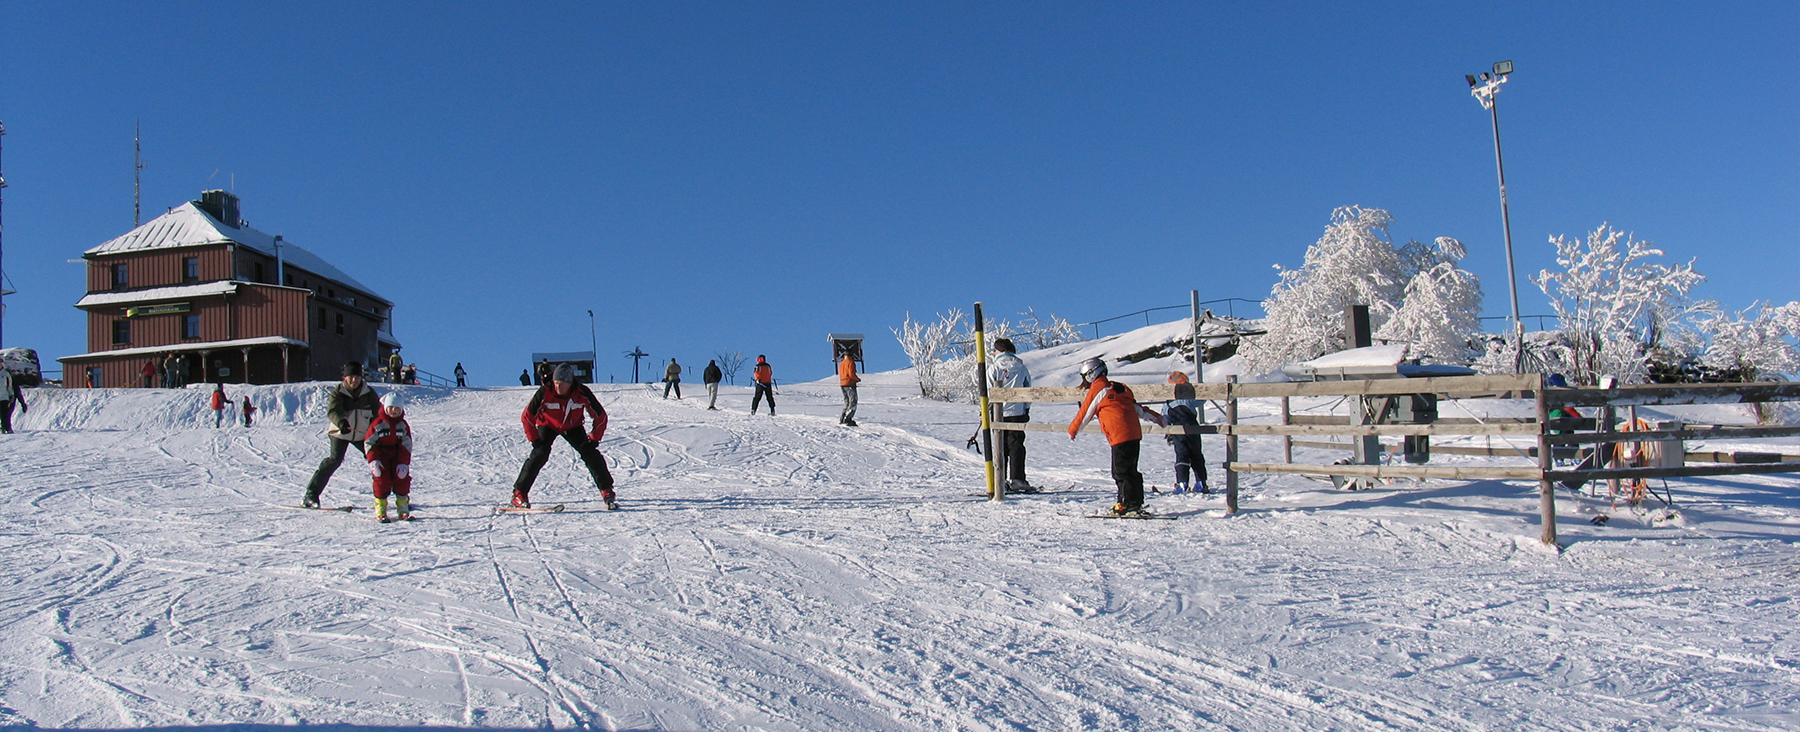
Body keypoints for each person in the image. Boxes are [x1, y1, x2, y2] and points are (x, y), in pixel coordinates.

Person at [513, 363, 617, 510]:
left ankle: (606, 490)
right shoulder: (545, 391)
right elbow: (527, 416)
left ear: (569, 383)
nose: (557, 387)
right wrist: (534, 439)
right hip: (547, 425)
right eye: (556, 383)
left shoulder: (581, 392)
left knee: (590, 453)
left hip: (573, 426)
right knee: (539, 454)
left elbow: (600, 416)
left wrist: (594, 438)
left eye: (561, 384)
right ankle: (519, 493)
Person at [1068, 357, 1163, 516]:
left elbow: (1086, 412)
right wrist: (1156, 417)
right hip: (1133, 434)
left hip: (1120, 435)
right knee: (1129, 470)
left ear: (1091, 374)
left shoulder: (1099, 389)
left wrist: (1074, 429)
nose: (1084, 381)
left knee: (1122, 472)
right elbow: (1138, 409)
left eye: (1084, 377)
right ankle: (1131, 501)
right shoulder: (1118, 388)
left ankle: (1129, 504)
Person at [301, 362, 382, 508]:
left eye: (356, 377)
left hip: (361, 434)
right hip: (340, 433)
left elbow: (379, 413)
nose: (353, 381)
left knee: (376, 460)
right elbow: (333, 411)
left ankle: (386, 495)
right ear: (344, 378)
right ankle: (311, 495)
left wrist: (378, 427)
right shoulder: (338, 392)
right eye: (350, 377)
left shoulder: (369, 393)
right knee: (334, 460)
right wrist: (342, 423)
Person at [989, 338, 1034, 493]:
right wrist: (1026, 408)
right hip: (1018, 411)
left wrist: (987, 411)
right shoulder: (1021, 367)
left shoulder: (994, 368)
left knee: (1000, 447)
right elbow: (1028, 388)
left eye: (994, 350)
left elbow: (989, 390)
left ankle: (1000, 480)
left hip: (999, 413)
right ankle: (1018, 479)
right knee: (1017, 445)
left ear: (999, 351)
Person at [365, 391, 415, 522]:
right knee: (382, 481)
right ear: (385, 407)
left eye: (397, 408)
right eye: (391, 407)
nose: (394, 410)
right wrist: (373, 460)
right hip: (381, 458)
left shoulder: (402, 425)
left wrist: (404, 462)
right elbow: (369, 442)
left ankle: (403, 509)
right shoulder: (377, 423)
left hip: (397, 458)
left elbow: (406, 444)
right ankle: (381, 509)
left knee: (402, 480)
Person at [1163, 371, 1208, 494]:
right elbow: (1202, 400)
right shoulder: (1190, 399)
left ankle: (1182, 483)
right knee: (1196, 455)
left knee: (1182, 455)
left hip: (1177, 429)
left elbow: (1165, 415)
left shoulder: (1168, 401)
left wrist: (1168, 430)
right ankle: (1201, 482)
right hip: (1193, 428)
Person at [0, 367, 26, 434]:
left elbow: (14, 389)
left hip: (6, 398)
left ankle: (6, 428)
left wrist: (22, 403)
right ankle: (4, 427)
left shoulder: (6, 375)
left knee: (5, 414)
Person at [837, 354, 861, 426]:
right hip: (850, 383)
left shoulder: (841, 363)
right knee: (853, 401)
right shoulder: (850, 362)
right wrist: (857, 379)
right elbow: (851, 374)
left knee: (846, 402)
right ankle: (848, 418)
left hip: (843, 384)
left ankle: (842, 418)